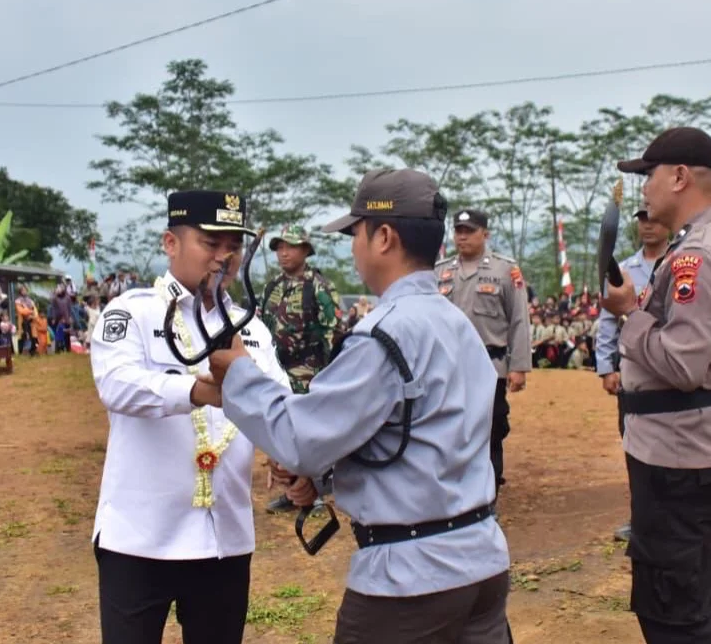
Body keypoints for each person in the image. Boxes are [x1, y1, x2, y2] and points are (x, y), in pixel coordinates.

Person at [203, 168, 513, 644]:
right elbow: (420, 438)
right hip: (482, 563)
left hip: (411, 578)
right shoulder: (456, 324)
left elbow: (299, 439)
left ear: (384, 237)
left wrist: (239, 375)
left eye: (356, 234)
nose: (352, 249)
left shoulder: (383, 334)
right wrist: (323, 478)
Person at [87, 189, 290, 644]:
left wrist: (285, 455)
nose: (224, 257)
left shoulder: (251, 329)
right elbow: (117, 384)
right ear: (170, 243)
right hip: (140, 538)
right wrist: (199, 391)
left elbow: (277, 402)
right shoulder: (133, 312)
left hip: (224, 540)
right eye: (210, 243)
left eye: (234, 246)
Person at [604, 127, 711, 643]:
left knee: (676, 613)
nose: (644, 188)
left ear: (678, 177)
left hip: (681, 462)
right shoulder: (707, 242)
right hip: (703, 450)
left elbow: (683, 365)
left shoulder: (698, 255)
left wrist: (629, 314)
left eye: (648, 175)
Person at [433, 208, 531, 501]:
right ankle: (455, 492)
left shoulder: (505, 270)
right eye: (458, 231)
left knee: (491, 427)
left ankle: (489, 494)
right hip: (449, 367)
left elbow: (519, 318)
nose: (462, 237)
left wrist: (519, 366)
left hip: (491, 365)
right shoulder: (440, 271)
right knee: (450, 427)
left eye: (469, 231)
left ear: (485, 234)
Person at [595, 206, 669, 543]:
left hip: (669, 370)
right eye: (642, 220)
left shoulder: (680, 263)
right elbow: (608, 321)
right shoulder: (623, 270)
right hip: (632, 371)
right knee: (634, 445)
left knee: (672, 446)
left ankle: (670, 517)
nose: (648, 226)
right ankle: (642, 518)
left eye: (653, 219)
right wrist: (606, 367)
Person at [259, 224, 342, 513]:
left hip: (311, 371)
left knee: (309, 432)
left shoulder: (319, 286)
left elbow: (334, 332)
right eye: (280, 247)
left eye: (290, 247)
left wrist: (330, 376)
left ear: (305, 250)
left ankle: (315, 491)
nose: (284, 253)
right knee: (284, 431)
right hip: (278, 372)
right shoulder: (272, 287)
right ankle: (292, 491)